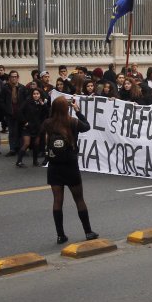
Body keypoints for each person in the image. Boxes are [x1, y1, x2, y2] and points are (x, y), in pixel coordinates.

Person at [42, 96, 96, 244]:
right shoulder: (73, 122)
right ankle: (88, 231)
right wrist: (78, 111)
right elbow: (87, 126)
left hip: (54, 166)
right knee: (79, 199)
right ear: (67, 108)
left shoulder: (48, 123)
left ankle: (60, 235)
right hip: (70, 165)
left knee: (57, 201)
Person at [16, 87, 50, 168]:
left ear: (40, 95)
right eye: (34, 94)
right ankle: (19, 161)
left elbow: (47, 114)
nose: (36, 95)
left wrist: (43, 105)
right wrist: (25, 122)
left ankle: (35, 161)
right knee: (26, 143)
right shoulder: (27, 102)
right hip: (28, 127)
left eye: (37, 94)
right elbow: (20, 112)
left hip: (37, 127)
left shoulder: (42, 104)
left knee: (36, 144)